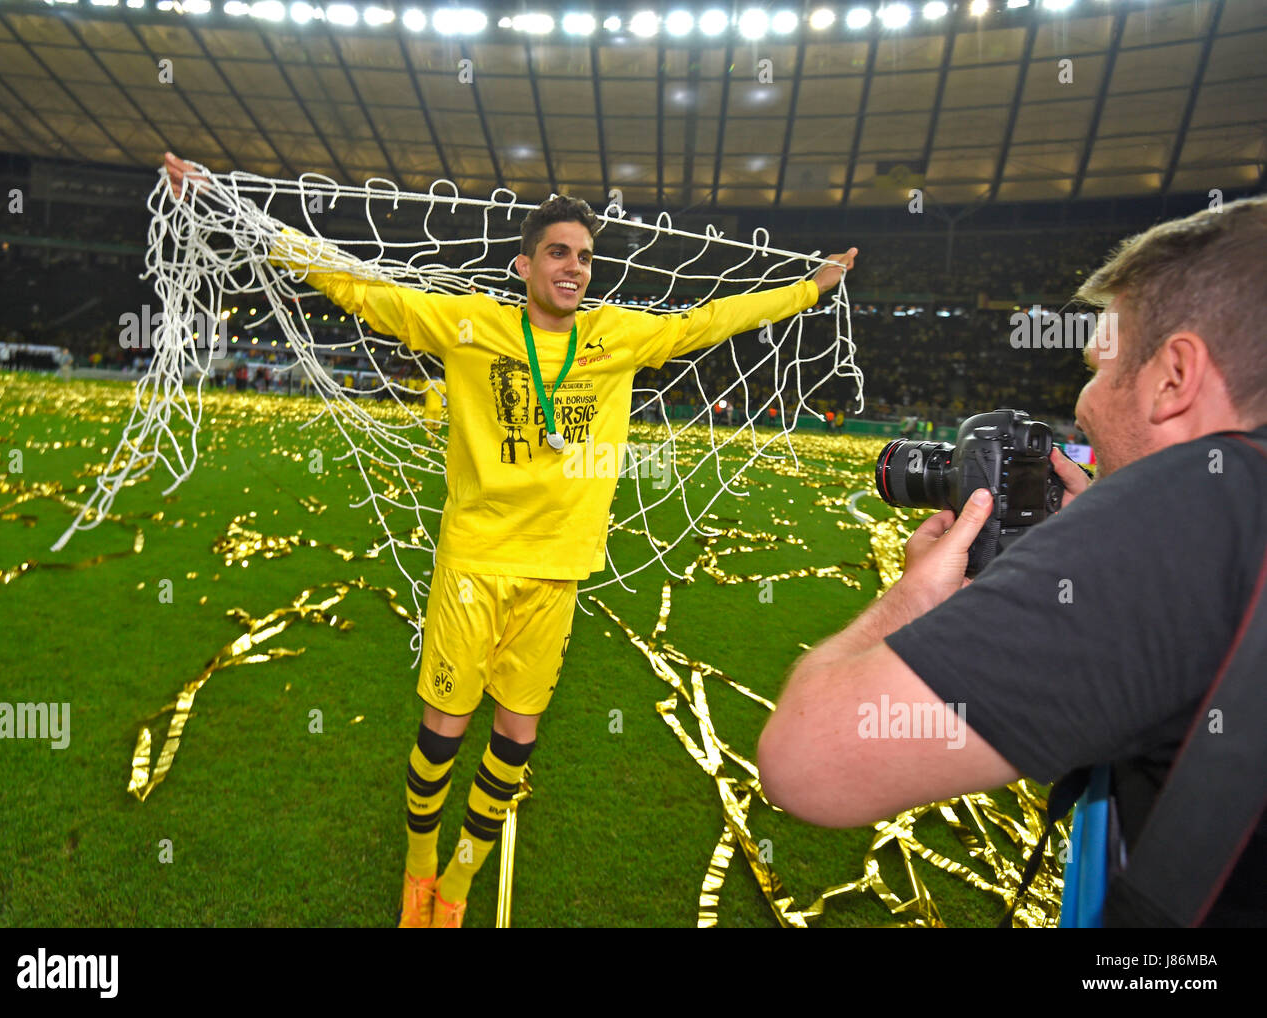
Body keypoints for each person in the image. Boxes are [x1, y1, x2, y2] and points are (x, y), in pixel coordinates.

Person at [165, 152, 857, 928]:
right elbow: (361, 288)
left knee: (516, 736)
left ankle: (460, 878)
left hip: (557, 572)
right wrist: (235, 208)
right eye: (558, 253)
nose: (574, 268)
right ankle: (420, 862)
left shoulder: (618, 337)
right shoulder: (472, 327)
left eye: (586, 257)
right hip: (475, 561)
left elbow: (710, 322)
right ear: (525, 264)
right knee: (443, 731)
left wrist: (811, 286)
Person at [757, 196, 1267, 926]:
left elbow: (804, 763)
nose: (1082, 400)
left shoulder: (1186, 515)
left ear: (1174, 378)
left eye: (1097, 365)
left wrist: (913, 598)